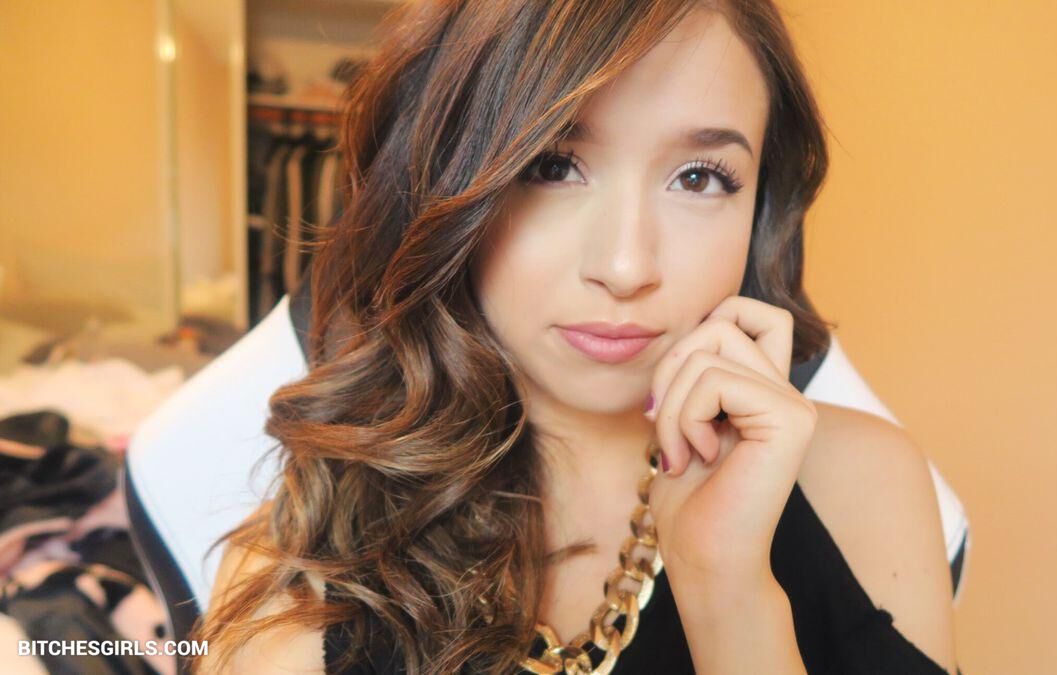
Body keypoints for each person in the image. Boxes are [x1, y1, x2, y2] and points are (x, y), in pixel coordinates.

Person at [191, 0, 959, 673]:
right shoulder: (295, 579)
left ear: (760, 207)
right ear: (445, 179)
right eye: (553, 165)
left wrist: (728, 592)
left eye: (698, 177)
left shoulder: (864, 486)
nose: (626, 267)